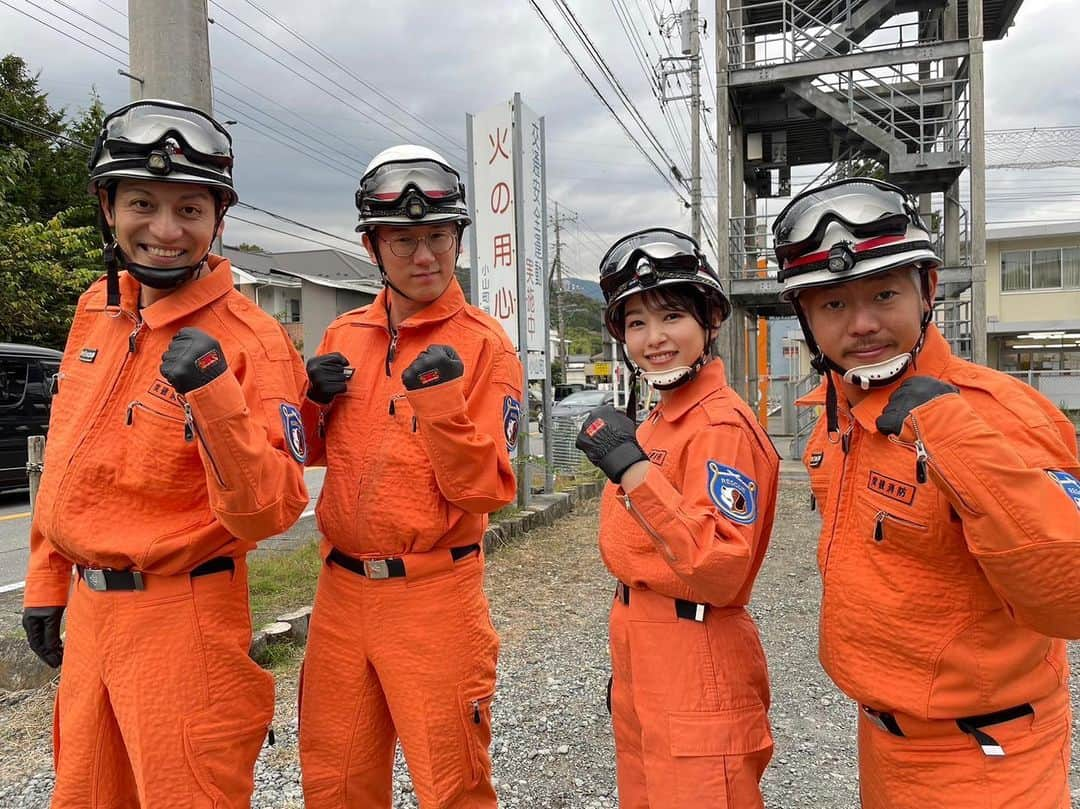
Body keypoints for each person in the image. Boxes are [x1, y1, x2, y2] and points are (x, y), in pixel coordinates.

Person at [20, 98, 310, 807]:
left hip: (185, 622)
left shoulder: (254, 339)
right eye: (142, 202)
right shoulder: (95, 308)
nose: (164, 229)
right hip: (91, 623)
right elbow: (66, 459)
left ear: (218, 221)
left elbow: (274, 507)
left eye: (190, 209)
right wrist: (46, 578)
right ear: (107, 207)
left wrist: (213, 396)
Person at [776, 177, 1080, 808]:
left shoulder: (1003, 415)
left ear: (927, 290)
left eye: (883, 294)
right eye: (831, 305)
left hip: (986, 759)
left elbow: (1070, 600)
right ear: (805, 317)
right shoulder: (838, 412)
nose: (861, 325)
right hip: (883, 744)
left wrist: (953, 437)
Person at [298, 144, 522, 808]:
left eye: (437, 237)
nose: (424, 256)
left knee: (451, 781)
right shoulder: (342, 334)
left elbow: (486, 490)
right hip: (339, 592)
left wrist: (443, 408)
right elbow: (304, 453)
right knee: (334, 779)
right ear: (372, 246)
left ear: (457, 239)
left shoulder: (485, 345)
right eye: (403, 241)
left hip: (436, 595)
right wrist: (311, 400)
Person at [575, 228, 778, 808]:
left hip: (698, 652)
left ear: (709, 321)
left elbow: (720, 569)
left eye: (671, 317)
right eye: (636, 323)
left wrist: (630, 468)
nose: (654, 338)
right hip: (645, 645)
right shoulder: (662, 419)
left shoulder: (719, 425)